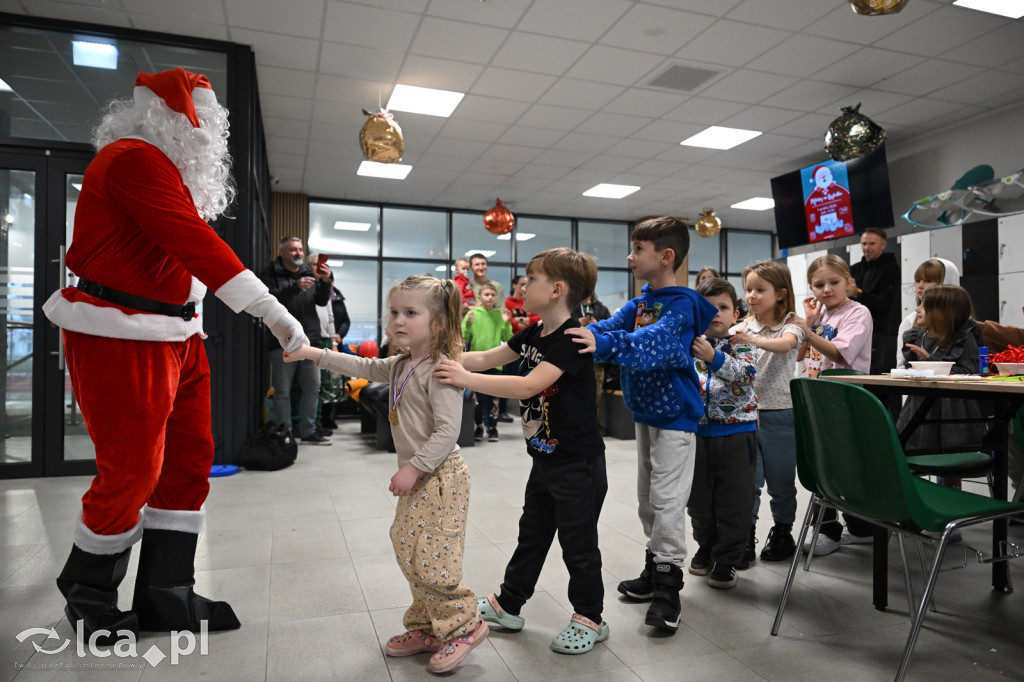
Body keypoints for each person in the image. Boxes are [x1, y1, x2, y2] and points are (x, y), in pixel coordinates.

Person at [41, 67, 307, 644]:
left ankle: (168, 594)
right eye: (204, 122)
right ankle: (89, 598)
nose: (211, 136)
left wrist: (194, 324)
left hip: (177, 336)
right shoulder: (133, 159)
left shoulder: (168, 172)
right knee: (132, 468)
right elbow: (192, 241)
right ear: (169, 118)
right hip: (118, 333)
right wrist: (273, 311)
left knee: (190, 461)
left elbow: (175, 263)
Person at [283, 275, 487, 675]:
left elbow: (448, 431)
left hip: (442, 477)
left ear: (440, 323)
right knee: (405, 545)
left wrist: (414, 466)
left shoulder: (442, 370)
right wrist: (311, 352)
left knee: (432, 556)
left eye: (411, 313)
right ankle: (429, 625)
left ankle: (464, 625)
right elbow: (360, 364)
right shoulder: (400, 364)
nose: (398, 320)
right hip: (422, 477)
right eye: (394, 312)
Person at [435, 248, 609, 654]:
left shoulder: (571, 340)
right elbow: (489, 358)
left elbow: (528, 385)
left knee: (578, 545)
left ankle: (590, 617)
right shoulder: (534, 332)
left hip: (578, 464)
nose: (523, 285)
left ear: (557, 290)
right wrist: (439, 359)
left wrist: (464, 378)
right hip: (546, 459)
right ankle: (508, 603)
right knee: (531, 535)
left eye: (531, 279)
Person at [566, 216, 717, 633]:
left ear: (665, 256)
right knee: (647, 500)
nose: (629, 257)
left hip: (677, 418)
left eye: (638, 250)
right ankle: (655, 569)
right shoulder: (643, 302)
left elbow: (658, 345)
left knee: (668, 501)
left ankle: (669, 585)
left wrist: (604, 343)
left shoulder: (682, 305)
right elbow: (608, 327)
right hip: (647, 415)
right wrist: (575, 335)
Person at [794, 254, 874, 555]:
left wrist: (808, 331)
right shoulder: (820, 317)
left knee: (842, 466)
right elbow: (801, 355)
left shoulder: (858, 313)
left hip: (844, 400)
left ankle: (832, 529)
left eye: (833, 282)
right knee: (822, 463)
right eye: (818, 284)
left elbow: (841, 354)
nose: (826, 289)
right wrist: (810, 325)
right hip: (817, 398)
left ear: (849, 283)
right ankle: (855, 527)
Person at [729, 261, 805, 567]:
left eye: (760, 290)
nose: (751, 296)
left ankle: (783, 531)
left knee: (782, 482)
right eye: (748, 289)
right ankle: (745, 536)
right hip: (746, 416)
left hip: (780, 415)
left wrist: (753, 341)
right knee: (750, 482)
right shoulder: (741, 328)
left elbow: (785, 344)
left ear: (781, 293)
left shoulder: (792, 324)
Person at [687, 278, 757, 589]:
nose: (715, 313)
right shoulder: (689, 344)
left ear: (736, 314)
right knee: (699, 500)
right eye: (707, 308)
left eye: (723, 307)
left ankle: (728, 558)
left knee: (735, 500)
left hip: (736, 434)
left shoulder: (742, 343)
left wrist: (713, 357)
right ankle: (705, 546)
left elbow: (745, 374)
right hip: (697, 434)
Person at [260, 237, 332, 445]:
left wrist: (325, 282)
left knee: (313, 386)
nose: (298, 253)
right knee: (283, 390)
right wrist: (294, 287)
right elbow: (267, 302)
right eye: (293, 250)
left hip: (309, 340)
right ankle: (286, 433)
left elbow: (321, 300)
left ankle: (308, 431)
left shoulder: (309, 273)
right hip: (281, 340)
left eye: (300, 250)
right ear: (282, 252)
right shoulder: (270, 274)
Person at [899, 285, 986, 455]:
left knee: (951, 455)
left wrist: (930, 360)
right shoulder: (916, 336)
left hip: (952, 409)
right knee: (910, 453)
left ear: (943, 311)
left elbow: (969, 371)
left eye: (925, 305)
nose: (917, 309)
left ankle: (950, 481)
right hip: (918, 405)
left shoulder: (964, 337)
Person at [462, 282, 512, 442]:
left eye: (492, 295)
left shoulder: (500, 315)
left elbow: (508, 338)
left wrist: (505, 322)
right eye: (486, 294)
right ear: (479, 297)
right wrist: (468, 324)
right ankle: (479, 427)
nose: (490, 297)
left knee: (493, 399)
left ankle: (493, 428)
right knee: (476, 399)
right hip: (475, 362)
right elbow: (464, 337)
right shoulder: (473, 314)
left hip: (495, 363)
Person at [849, 228, 901, 376]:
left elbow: (885, 303)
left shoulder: (890, 268)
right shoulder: (855, 269)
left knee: (872, 373)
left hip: (878, 332)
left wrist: (858, 293)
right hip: (855, 328)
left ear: (883, 245)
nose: (867, 248)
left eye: (872, 243)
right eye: (864, 244)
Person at [308, 253, 351, 430]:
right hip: (316, 338)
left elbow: (343, 319)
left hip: (333, 340)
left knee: (330, 383)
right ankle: (317, 421)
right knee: (317, 384)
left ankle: (327, 418)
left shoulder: (338, 296)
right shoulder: (312, 289)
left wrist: (337, 336)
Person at [895, 258, 960, 369]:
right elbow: (901, 366)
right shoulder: (910, 321)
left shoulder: (963, 322)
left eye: (928, 281)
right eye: (918, 280)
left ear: (947, 283)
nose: (920, 286)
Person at [498, 274, 539, 422]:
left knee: (528, 379)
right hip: (513, 345)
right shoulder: (508, 302)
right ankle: (502, 411)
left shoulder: (530, 301)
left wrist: (521, 320)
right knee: (509, 378)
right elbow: (508, 322)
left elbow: (537, 320)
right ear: (514, 285)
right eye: (522, 284)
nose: (524, 287)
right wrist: (523, 322)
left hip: (530, 345)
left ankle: (530, 412)